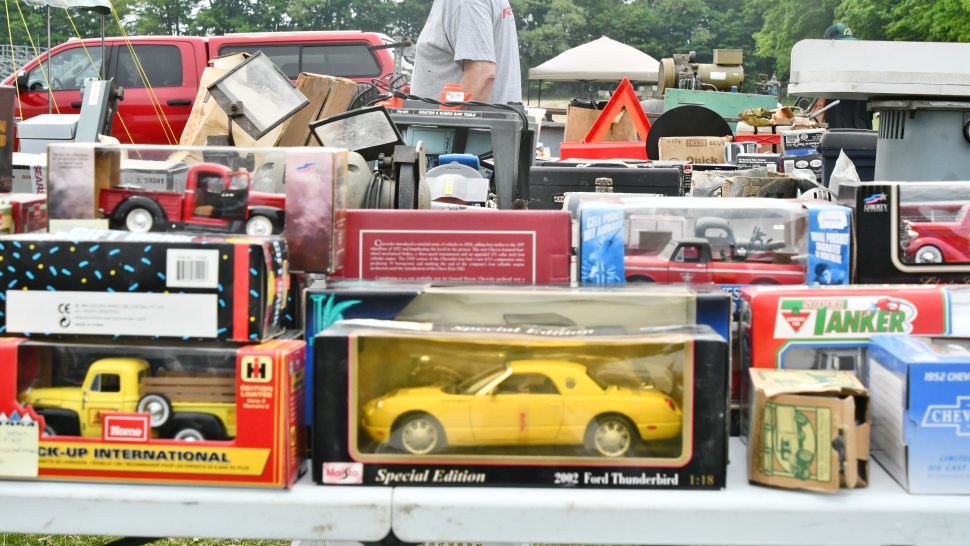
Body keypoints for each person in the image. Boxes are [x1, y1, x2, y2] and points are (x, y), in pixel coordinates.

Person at [410, 0, 522, 104]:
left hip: (448, 119)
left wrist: (447, 115)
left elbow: (481, 75)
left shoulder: (463, 3)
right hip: (490, 117)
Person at [813, 23, 872, 130]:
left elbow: (819, 106)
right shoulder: (865, 67)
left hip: (838, 133)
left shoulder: (829, 68)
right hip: (865, 133)